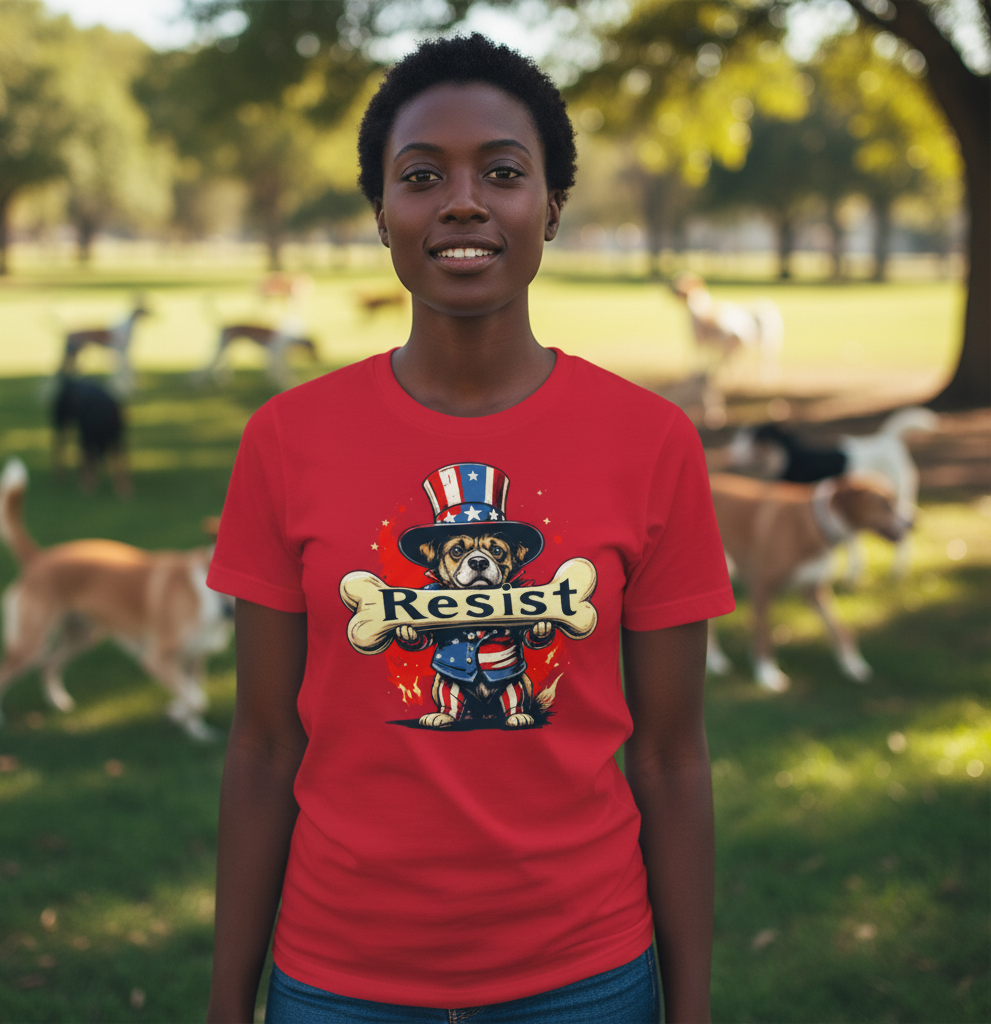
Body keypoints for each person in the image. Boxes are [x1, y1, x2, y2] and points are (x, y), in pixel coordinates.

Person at [206, 34, 734, 1024]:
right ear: (380, 214)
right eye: (421, 176)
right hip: (338, 977)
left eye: (501, 171)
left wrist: (690, 1005)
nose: (462, 200)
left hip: (584, 975)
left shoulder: (650, 442)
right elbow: (263, 745)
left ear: (551, 208)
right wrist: (229, 998)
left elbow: (670, 756)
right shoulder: (285, 439)